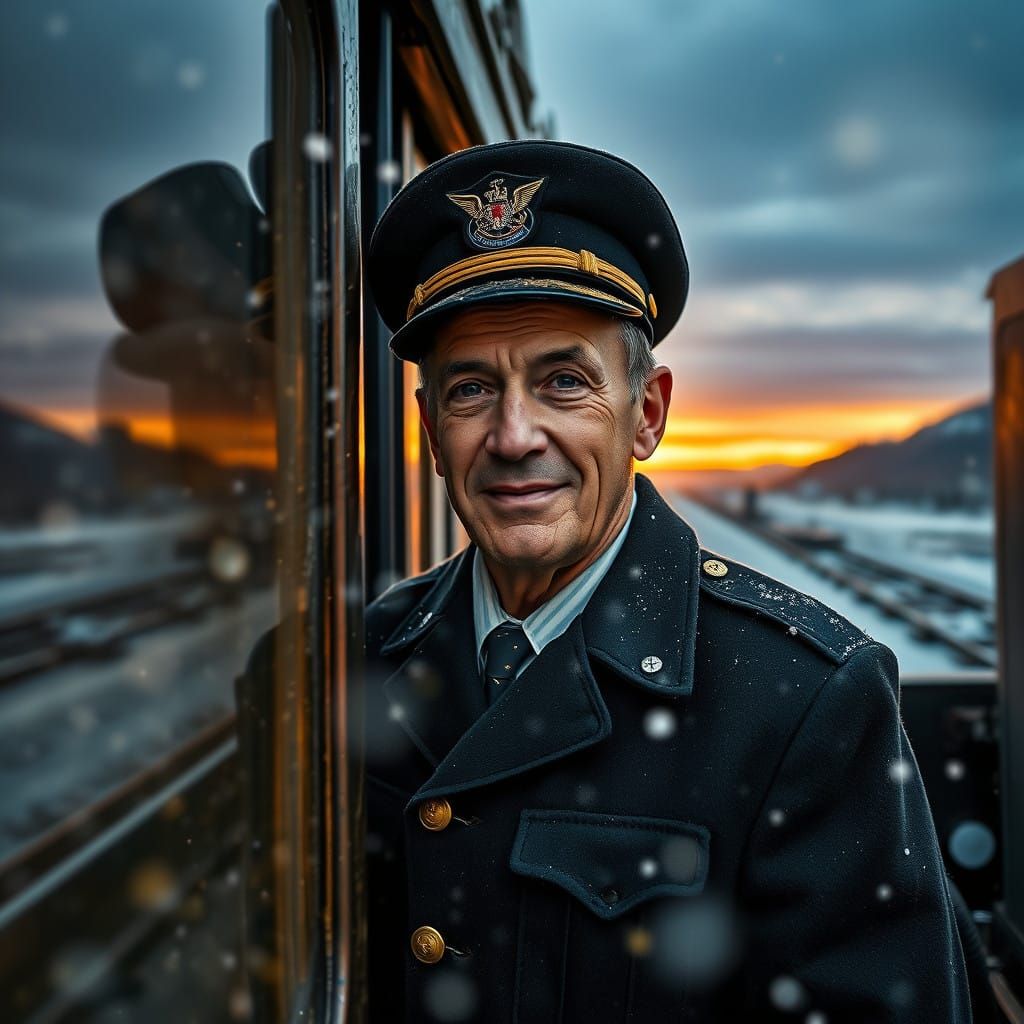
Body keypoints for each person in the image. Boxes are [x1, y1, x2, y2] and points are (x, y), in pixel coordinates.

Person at [363, 140, 971, 1023]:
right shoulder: (365, 657)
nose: (513, 435)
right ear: (428, 427)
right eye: (469, 390)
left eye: (564, 381)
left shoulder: (803, 700)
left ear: (645, 414)